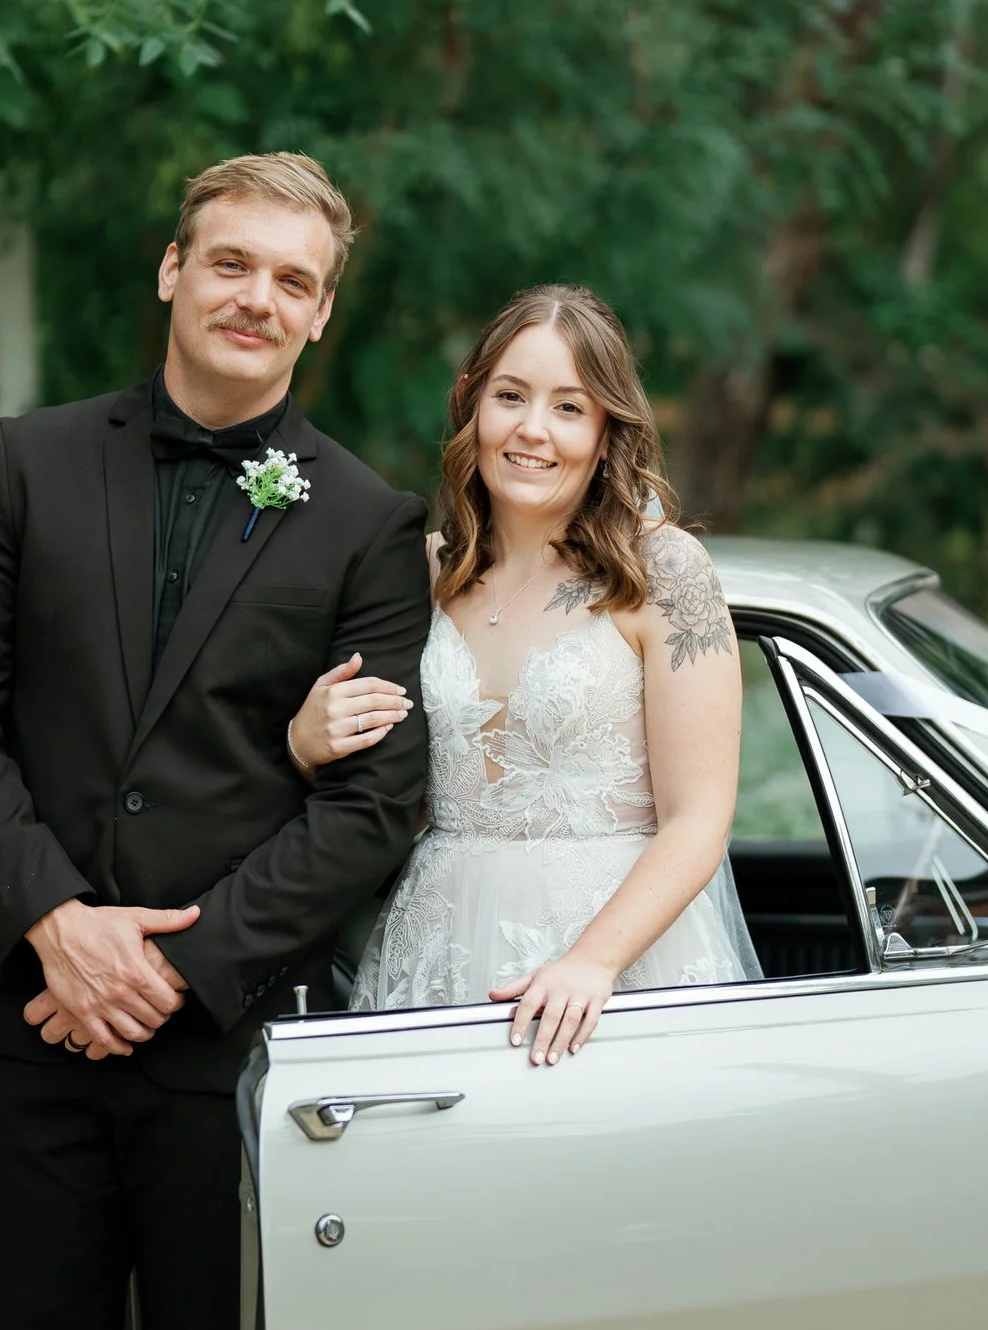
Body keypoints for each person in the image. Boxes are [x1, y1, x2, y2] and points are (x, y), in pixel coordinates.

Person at [0, 152, 431, 1330]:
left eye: (291, 280)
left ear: (320, 312)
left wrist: (174, 968)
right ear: (171, 270)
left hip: (225, 1048)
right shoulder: (22, 465)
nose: (256, 298)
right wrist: (55, 922)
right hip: (18, 1027)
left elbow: (373, 806)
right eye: (231, 263)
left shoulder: (365, 523)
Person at [287, 283, 760, 1067]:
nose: (533, 430)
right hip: (434, 952)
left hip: (615, 967)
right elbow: (391, 797)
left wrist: (593, 963)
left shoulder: (665, 569)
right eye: (511, 396)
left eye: (570, 407)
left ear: (608, 428)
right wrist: (307, 745)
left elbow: (698, 820)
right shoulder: (421, 571)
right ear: (472, 403)